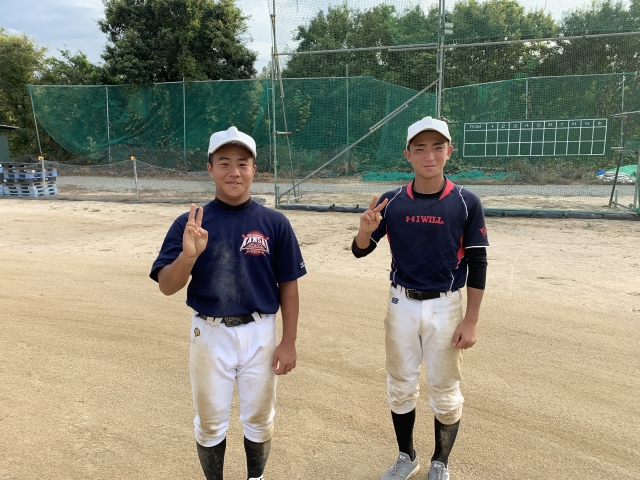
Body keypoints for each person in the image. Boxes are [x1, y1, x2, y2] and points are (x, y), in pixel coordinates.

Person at [150, 126, 306, 480]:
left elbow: (289, 285)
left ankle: (256, 478)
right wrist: (189, 256)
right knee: (209, 422)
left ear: (254, 170)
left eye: (242, 163)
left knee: (260, 418)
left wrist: (289, 341)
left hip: (260, 332)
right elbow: (167, 286)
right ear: (210, 168)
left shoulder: (274, 222)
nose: (234, 172)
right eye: (224, 163)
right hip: (210, 332)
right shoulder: (191, 224)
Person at [351, 116, 489, 480]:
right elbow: (361, 251)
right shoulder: (392, 201)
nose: (429, 156)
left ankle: (440, 461)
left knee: (446, 391)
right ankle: (406, 456)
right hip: (402, 304)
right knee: (400, 385)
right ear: (408, 155)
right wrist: (364, 232)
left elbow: (478, 262)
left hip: (446, 305)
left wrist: (471, 320)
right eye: (420, 148)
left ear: (449, 152)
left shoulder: (466, 201)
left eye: (437, 147)